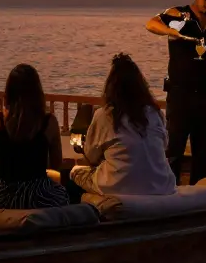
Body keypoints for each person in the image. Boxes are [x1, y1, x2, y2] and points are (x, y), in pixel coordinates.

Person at [145, 0, 206, 184]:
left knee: (203, 152)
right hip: (180, 93)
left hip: (205, 94)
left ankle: (199, 195)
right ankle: (169, 193)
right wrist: (171, 32)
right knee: (173, 148)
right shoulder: (177, 15)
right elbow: (151, 23)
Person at [70, 53, 177, 197]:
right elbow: (163, 146)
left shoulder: (105, 115)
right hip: (162, 185)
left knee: (75, 172)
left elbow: (91, 156)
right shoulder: (154, 113)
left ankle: (80, 215)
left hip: (118, 185)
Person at [0, 64, 68, 209]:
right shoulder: (48, 122)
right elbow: (56, 164)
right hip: (37, 195)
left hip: (0, 195)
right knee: (63, 194)